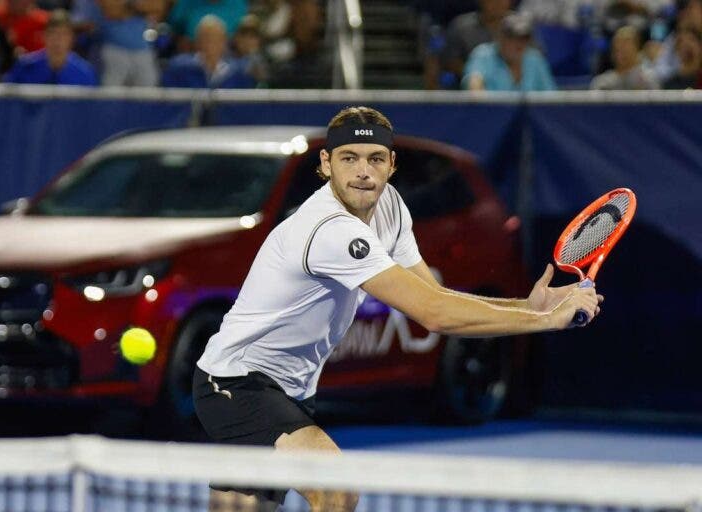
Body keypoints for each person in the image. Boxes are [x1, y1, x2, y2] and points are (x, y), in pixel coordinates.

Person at [192, 106, 602, 512]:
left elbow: (434, 295)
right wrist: (545, 319)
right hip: (236, 381)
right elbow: (435, 315)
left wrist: (528, 305)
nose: (362, 172)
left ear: (391, 164)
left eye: (374, 159)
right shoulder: (329, 229)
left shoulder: (389, 206)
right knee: (336, 490)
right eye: (348, 158)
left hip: (291, 390)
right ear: (325, 164)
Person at [424, 0, 512, 89]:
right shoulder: (461, 26)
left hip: (512, 85)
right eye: (492, 1)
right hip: (467, 85)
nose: (497, 4)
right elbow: (450, 60)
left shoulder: (520, 27)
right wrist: (476, 72)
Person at [462, 12, 557, 91]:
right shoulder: (483, 54)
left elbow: (550, 96)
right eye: (513, 37)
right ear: (500, 38)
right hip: (491, 112)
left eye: (524, 38)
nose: (519, 44)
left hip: (530, 114)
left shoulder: (535, 59)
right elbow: (474, 84)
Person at [4, 9, 97, 85]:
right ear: (44, 36)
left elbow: (90, 106)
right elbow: (7, 101)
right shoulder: (25, 66)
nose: (57, 40)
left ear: (72, 38)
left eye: (63, 34)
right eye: (52, 33)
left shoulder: (85, 73)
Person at [161, 14, 255, 88]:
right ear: (197, 42)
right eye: (206, 38)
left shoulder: (238, 74)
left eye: (216, 38)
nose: (210, 43)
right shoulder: (179, 68)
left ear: (224, 42)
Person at [590, 25, 660, 89]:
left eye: (626, 48)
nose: (621, 54)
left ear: (637, 50)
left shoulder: (648, 79)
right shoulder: (603, 82)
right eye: (618, 50)